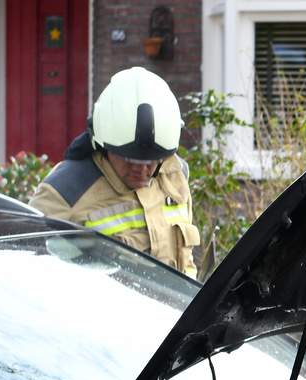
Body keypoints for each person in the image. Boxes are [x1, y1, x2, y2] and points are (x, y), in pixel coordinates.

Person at [31, 66, 200, 277]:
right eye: (129, 160)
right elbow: (32, 268)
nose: (141, 170)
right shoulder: (65, 191)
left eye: (151, 161)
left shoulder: (175, 174)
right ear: (103, 144)